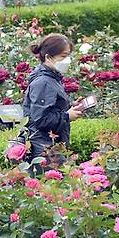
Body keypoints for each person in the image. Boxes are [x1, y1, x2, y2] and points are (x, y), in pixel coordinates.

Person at [23, 33, 84, 172]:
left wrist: (70, 108)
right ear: (48, 57)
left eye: (68, 55)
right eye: (63, 56)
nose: (67, 60)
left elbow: (50, 108)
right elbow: (41, 119)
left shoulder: (51, 77)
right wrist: (67, 116)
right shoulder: (43, 82)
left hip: (51, 146)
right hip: (44, 149)